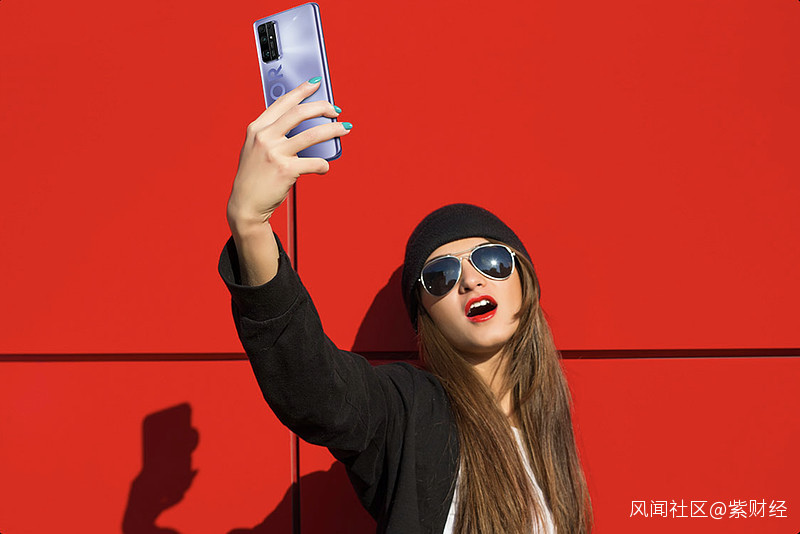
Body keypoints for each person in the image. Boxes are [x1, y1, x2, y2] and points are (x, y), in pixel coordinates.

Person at [220, 79, 592, 533]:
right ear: (425, 314)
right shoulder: (409, 410)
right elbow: (315, 388)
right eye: (441, 276)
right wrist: (250, 226)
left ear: (524, 280)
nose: (471, 280)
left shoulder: (548, 427)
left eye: (491, 260)